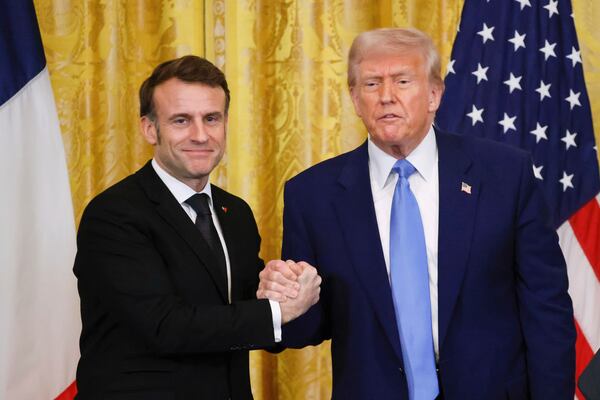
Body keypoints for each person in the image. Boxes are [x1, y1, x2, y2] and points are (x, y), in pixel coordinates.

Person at [257, 28, 575, 399]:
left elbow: (546, 307)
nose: (386, 97)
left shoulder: (505, 175)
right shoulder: (312, 194)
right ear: (355, 99)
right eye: (372, 84)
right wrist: (284, 305)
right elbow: (308, 328)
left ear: (434, 94)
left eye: (403, 81)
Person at [73, 55, 320, 399]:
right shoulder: (113, 214)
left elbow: (245, 311)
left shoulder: (235, 213)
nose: (200, 135)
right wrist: (275, 311)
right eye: (181, 120)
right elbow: (164, 326)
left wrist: (280, 289)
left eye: (211, 119)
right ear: (149, 128)